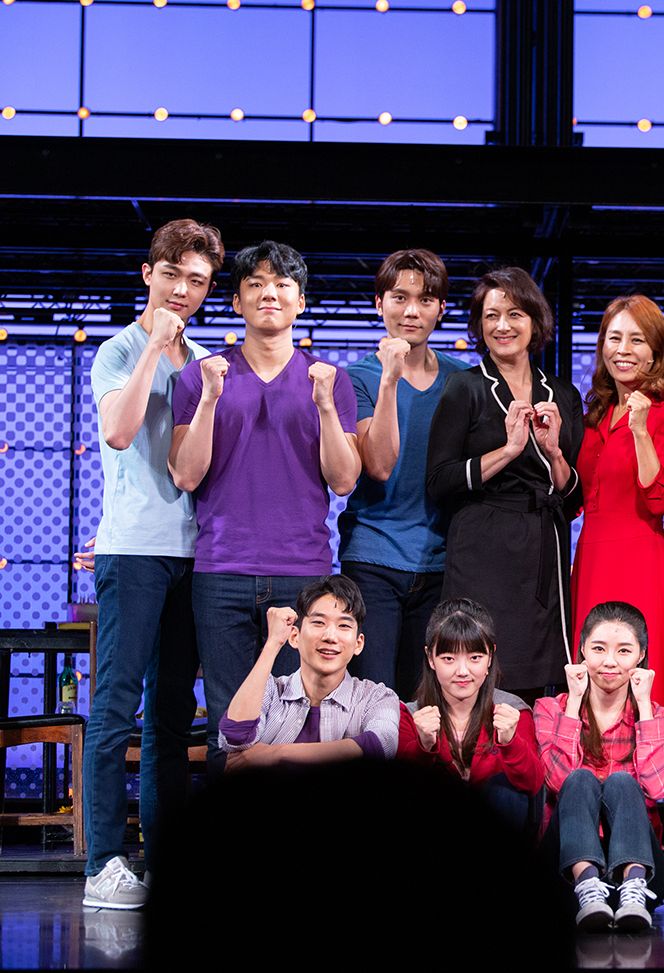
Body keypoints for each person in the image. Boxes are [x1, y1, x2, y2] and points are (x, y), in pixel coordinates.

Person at [170, 241, 360, 773]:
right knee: (229, 728)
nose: (268, 293)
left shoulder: (329, 379)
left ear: (301, 301)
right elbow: (185, 474)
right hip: (221, 572)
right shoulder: (203, 375)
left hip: (303, 574)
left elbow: (344, 480)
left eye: (281, 284)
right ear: (236, 302)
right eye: (254, 284)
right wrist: (210, 399)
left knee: (300, 726)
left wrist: (325, 408)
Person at [81, 219, 221, 909]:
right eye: (172, 275)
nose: (182, 290)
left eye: (197, 281)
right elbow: (118, 431)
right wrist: (153, 350)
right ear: (148, 274)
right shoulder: (118, 349)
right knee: (114, 706)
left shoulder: (204, 365)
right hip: (135, 548)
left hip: (195, 554)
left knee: (170, 716)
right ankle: (103, 863)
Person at [426, 268, 584, 706]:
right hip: (481, 545)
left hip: (542, 545)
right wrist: (509, 451)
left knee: (532, 685)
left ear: (535, 322)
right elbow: (439, 481)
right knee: (472, 672)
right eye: (491, 315)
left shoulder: (562, 393)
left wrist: (554, 454)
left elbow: (575, 499)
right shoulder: (465, 387)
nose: (502, 325)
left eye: (514, 314)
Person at [339, 249, 469, 698]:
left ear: (441, 309)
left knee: (426, 705)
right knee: (372, 701)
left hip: (441, 563)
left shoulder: (462, 379)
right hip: (372, 559)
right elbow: (378, 465)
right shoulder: (357, 377)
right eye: (400, 297)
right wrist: (390, 379)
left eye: (425, 299)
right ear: (379, 304)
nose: (412, 311)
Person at [571, 295, 664, 711]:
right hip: (590, 556)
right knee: (590, 667)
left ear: (656, 352)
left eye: (636, 340)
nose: (622, 350)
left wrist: (640, 430)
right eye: (614, 338)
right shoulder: (596, 413)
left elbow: (660, 499)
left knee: (635, 667)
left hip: (638, 557)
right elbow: (580, 496)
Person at [535, 602, 664, 932]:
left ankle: (631, 886)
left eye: (624, 650)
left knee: (622, 783)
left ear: (641, 655)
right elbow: (557, 780)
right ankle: (587, 881)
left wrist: (644, 708)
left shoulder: (659, 716)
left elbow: (658, 787)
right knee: (580, 779)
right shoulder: (550, 709)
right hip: (566, 874)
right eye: (598, 649)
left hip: (642, 877)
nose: (610, 661)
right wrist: (573, 703)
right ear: (582, 650)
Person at [218, 575, 400, 766]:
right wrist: (273, 643)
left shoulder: (377, 697)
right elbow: (234, 738)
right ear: (294, 637)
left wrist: (277, 753)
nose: (330, 636)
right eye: (319, 623)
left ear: (358, 643)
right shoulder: (270, 691)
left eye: (344, 625)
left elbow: (381, 747)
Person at [397, 597, 543, 832]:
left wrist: (510, 742)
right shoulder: (411, 715)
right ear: (430, 658)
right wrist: (423, 746)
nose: (462, 671)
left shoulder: (512, 710)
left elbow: (533, 785)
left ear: (490, 656)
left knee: (505, 790)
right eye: (449, 659)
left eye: (475, 657)